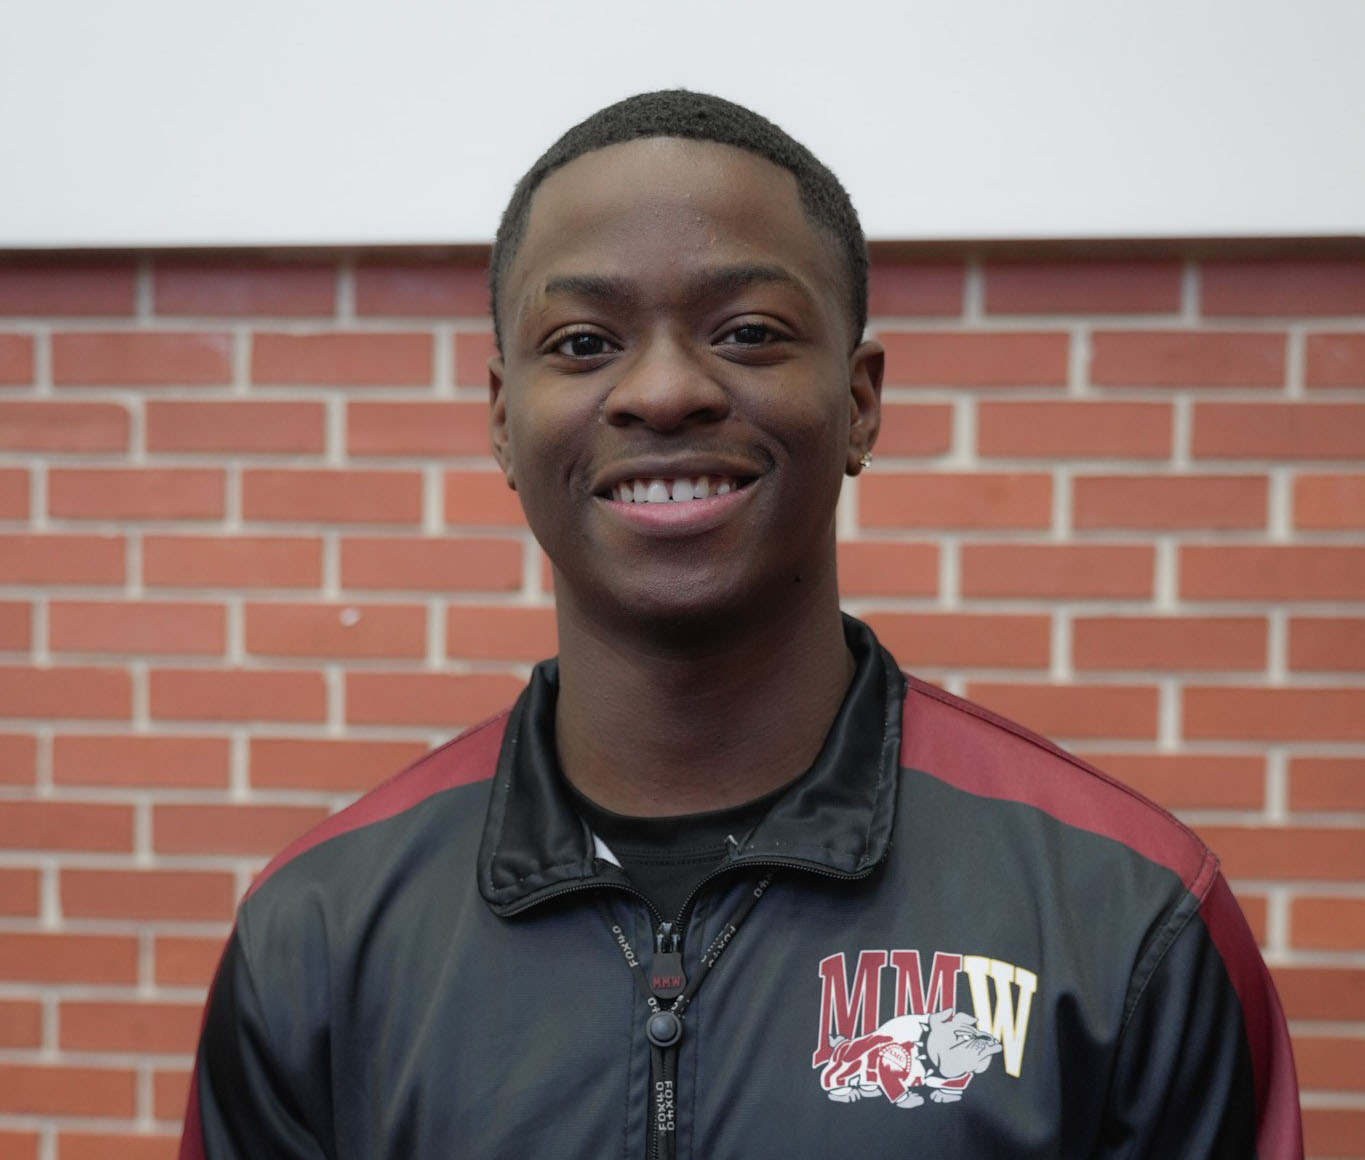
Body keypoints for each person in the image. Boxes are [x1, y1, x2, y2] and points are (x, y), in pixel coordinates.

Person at [178, 90, 1302, 1159]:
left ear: (859, 401)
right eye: (582, 342)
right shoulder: (317, 938)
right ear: (503, 419)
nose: (664, 390)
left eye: (751, 331)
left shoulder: (1124, 913)